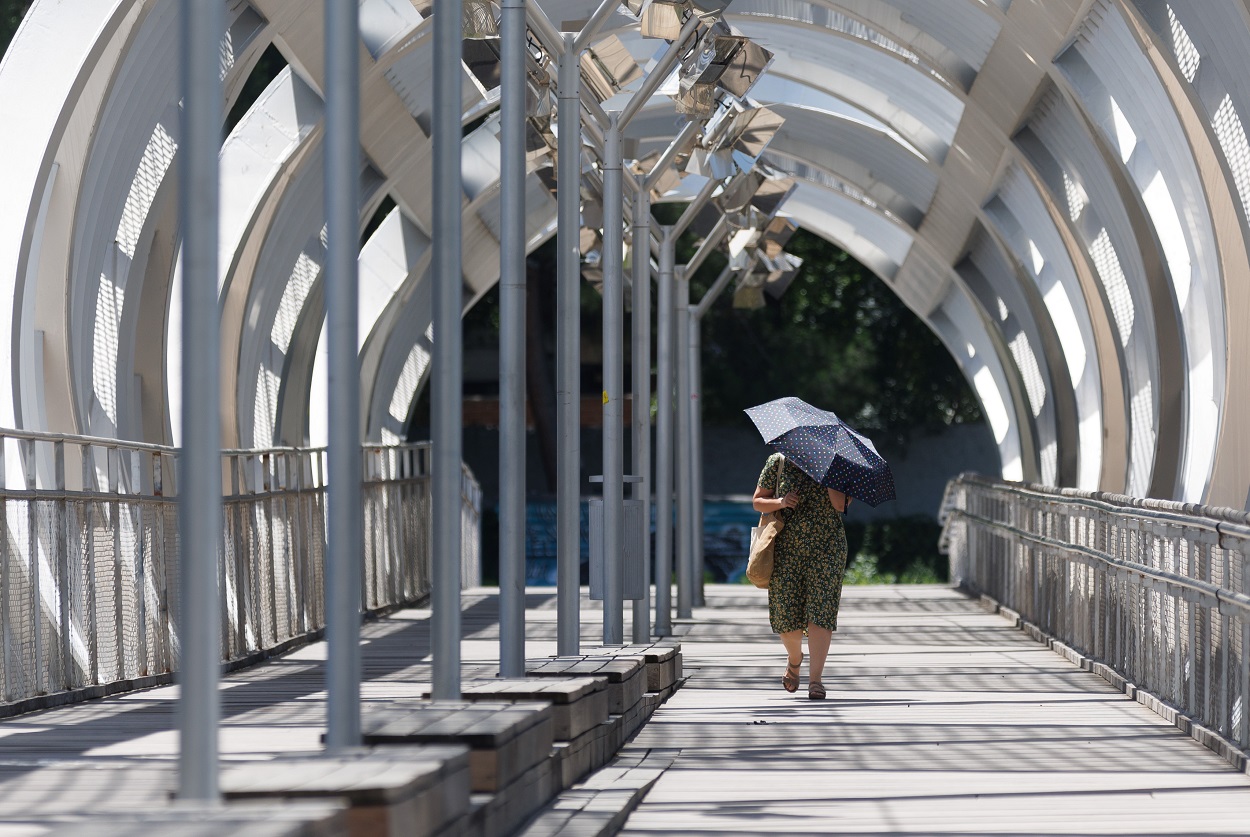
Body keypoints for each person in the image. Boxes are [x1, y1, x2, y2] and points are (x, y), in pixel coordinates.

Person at [752, 452, 851, 700]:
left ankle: (816, 680)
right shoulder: (778, 461)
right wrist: (781, 502)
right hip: (786, 549)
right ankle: (795, 659)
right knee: (786, 618)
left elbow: (841, 505)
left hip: (827, 549)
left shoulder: (837, 464)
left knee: (822, 611)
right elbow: (758, 501)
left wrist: (828, 473)